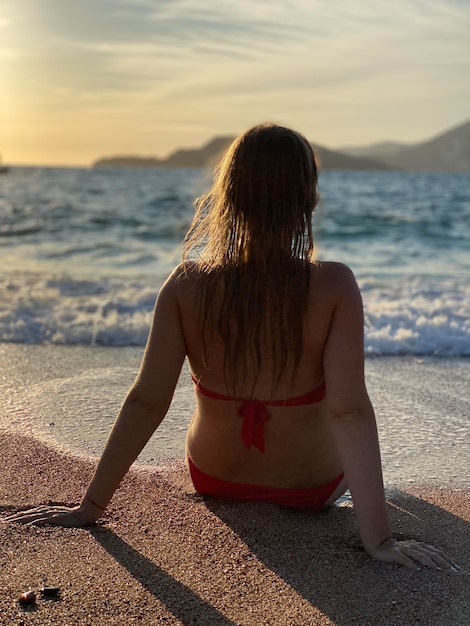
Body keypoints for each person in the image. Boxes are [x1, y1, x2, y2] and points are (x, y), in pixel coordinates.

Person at [4, 124, 456, 571]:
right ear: (308, 200)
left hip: (214, 479)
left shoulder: (185, 285)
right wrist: (378, 539)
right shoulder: (334, 285)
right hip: (310, 487)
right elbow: (348, 412)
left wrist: (90, 508)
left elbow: (147, 401)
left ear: (229, 197)